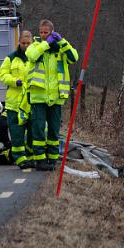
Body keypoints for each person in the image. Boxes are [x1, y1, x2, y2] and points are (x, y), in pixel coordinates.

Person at [25, 19, 79, 171]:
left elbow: (74, 57)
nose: (43, 35)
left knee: (54, 130)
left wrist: (62, 42)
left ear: (52, 32)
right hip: (38, 96)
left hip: (56, 97)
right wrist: (46, 43)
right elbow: (32, 55)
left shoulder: (60, 49)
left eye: (46, 33)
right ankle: (40, 160)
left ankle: (53, 160)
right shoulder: (35, 46)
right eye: (41, 32)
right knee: (39, 129)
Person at [0, 30, 33, 168]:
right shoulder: (11, 58)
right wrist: (14, 81)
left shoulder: (36, 57)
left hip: (31, 102)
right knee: (17, 132)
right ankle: (20, 159)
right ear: (19, 42)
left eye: (28, 43)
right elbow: (2, 74)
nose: (25, 45)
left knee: (33, 131)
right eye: (23, 43)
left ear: (32, 42)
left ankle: (31, 157)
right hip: (15, 103)